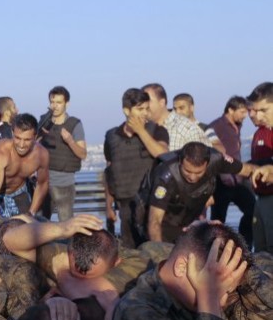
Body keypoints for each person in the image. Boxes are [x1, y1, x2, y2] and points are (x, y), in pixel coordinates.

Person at [112, 223, 250, 320]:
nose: (224, 298)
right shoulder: (137, 313)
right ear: (182, 267)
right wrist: (210, 301)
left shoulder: (192, 295)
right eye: (219, 289)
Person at [133, 142, 255, 244]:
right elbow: (154, 221)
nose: (192, 177)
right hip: (162, 220)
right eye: (187, 171)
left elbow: (248, 170)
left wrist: (265, 173)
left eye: (198, 173)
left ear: (207, 164)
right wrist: (158, 254)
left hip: (188, 215)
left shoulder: (217, 159)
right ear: (181, 161)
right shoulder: (166, 176)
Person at [104, 88, 169, 247]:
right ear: (126, 110)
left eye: (147, 108)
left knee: (155, 249)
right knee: (130, 253)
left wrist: (140, 131)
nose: (145, 113)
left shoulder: (157, 130)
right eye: (140, 109)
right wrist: (108, 206)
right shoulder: (111, 136)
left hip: (151, 204)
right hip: (125, 205)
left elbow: (162, 154)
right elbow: (109, 171)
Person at [0, 113, 49, 224]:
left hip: (18, 192)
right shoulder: (0, 152)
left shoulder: (42, 155)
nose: (21, 145)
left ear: (35, 137)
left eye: (27, 140)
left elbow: (43, 184)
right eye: (17, 138)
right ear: (12, 133)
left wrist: (31, 212)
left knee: (26, 233)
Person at [209, 96, 255, 245]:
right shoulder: (217, 126)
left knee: (252, 210)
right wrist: (224, 174)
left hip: (238, 179)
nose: (245, 115)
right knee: (218, 220)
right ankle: (214, 250)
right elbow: (215, 152)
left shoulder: (237, 125)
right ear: (230, 109)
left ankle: (243, 245)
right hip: (221, 180)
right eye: (242, 112)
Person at [38, 86, 87, 221]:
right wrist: (39, 135)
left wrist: (70, 140)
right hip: (43, 182)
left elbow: (83, 154)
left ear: (67, 104)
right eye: (52, 102)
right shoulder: (43, 122)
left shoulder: (74, 124)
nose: (55, 106)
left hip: (64, 184)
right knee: (38, 224)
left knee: (66, 225)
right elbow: (31, 147)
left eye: (59, 103)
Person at [143, 83, 210, 151]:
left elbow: (206, 156)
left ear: (162, 102)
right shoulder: (140, 128)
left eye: (148, 101)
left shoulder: (186, 127)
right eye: (142, 102)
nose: (144, 105)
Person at [247, 82, 273, 253]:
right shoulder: (260, 132)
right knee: (261, 252)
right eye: (256, 110)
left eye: (264, 110)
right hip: (261, 196)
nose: (258, 115)